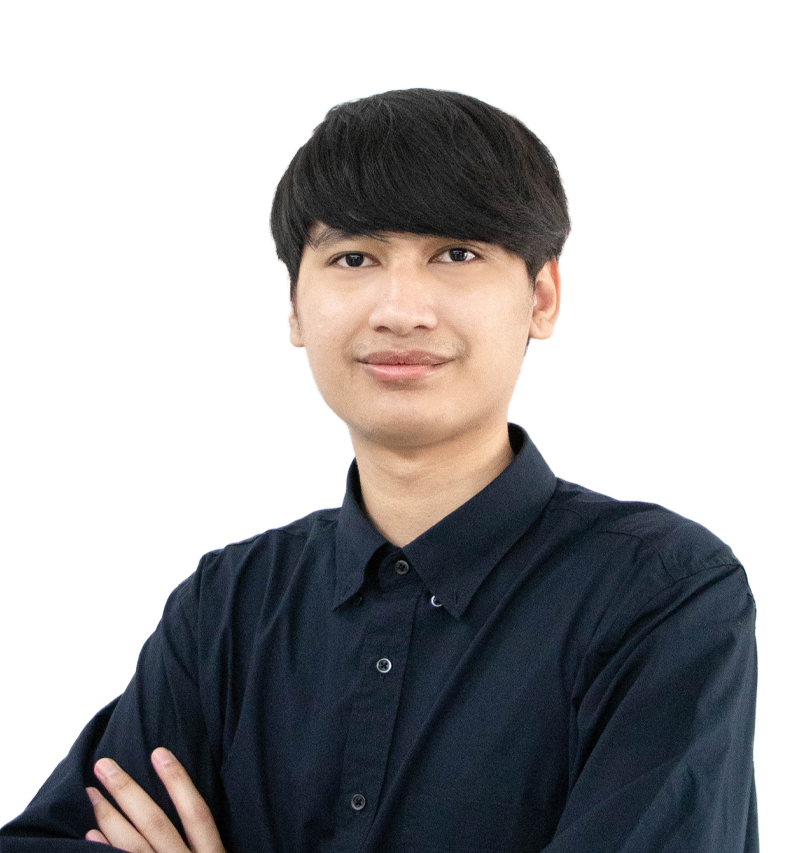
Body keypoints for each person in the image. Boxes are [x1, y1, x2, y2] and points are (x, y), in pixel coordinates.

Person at [0, 87, 758, 852]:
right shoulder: (227, 606)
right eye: (355, 257)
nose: (401, 310)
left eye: (456, 254)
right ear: (294, 303)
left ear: (541, 296)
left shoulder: (661, 593)